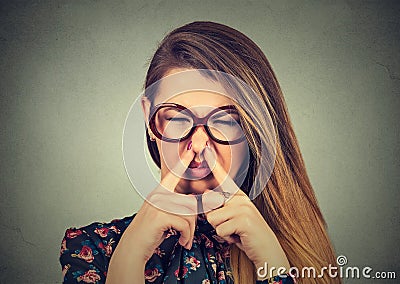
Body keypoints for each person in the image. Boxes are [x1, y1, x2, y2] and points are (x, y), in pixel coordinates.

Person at [59, 21, 341, 284]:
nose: (197, 145)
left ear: (253, 131)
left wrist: (274, 269)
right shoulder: (92, 252)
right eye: (177, 118)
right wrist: (128, 261)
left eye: (225, 121)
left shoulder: (300, 255)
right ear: (148, 120)